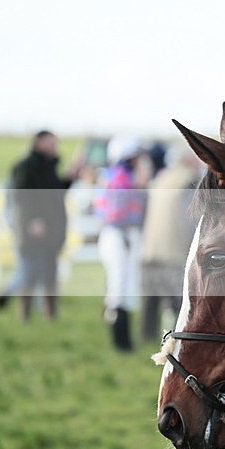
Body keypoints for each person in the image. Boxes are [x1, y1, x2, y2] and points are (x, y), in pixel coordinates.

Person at [2, 130, 74, 321]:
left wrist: (70, 177)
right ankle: (23, 316)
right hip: (32, 232)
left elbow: (57, 193)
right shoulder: (25, 166)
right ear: (38, 142)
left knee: (50, 274)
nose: (54, 147)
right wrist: (32, 221)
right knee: (30, 275)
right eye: (50, 143)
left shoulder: (48, 167)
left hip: (51, 232)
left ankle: (50, 316)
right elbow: (20, 198)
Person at [93, 135, 150, 351]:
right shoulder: (121, 177)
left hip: (117, 235)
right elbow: (117, 213)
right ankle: (121, 341)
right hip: (120, 236)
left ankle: (123, 340)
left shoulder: (115, 175)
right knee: (120, 288)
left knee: (122, 287)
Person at [140, 145, 201, 341]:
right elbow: (191, 219)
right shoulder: (190, 182)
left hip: (150, 250)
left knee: (150, 303)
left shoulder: (160, 179)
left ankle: (146, 339)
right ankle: (175, 342)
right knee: (179, 304)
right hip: (174, 252)